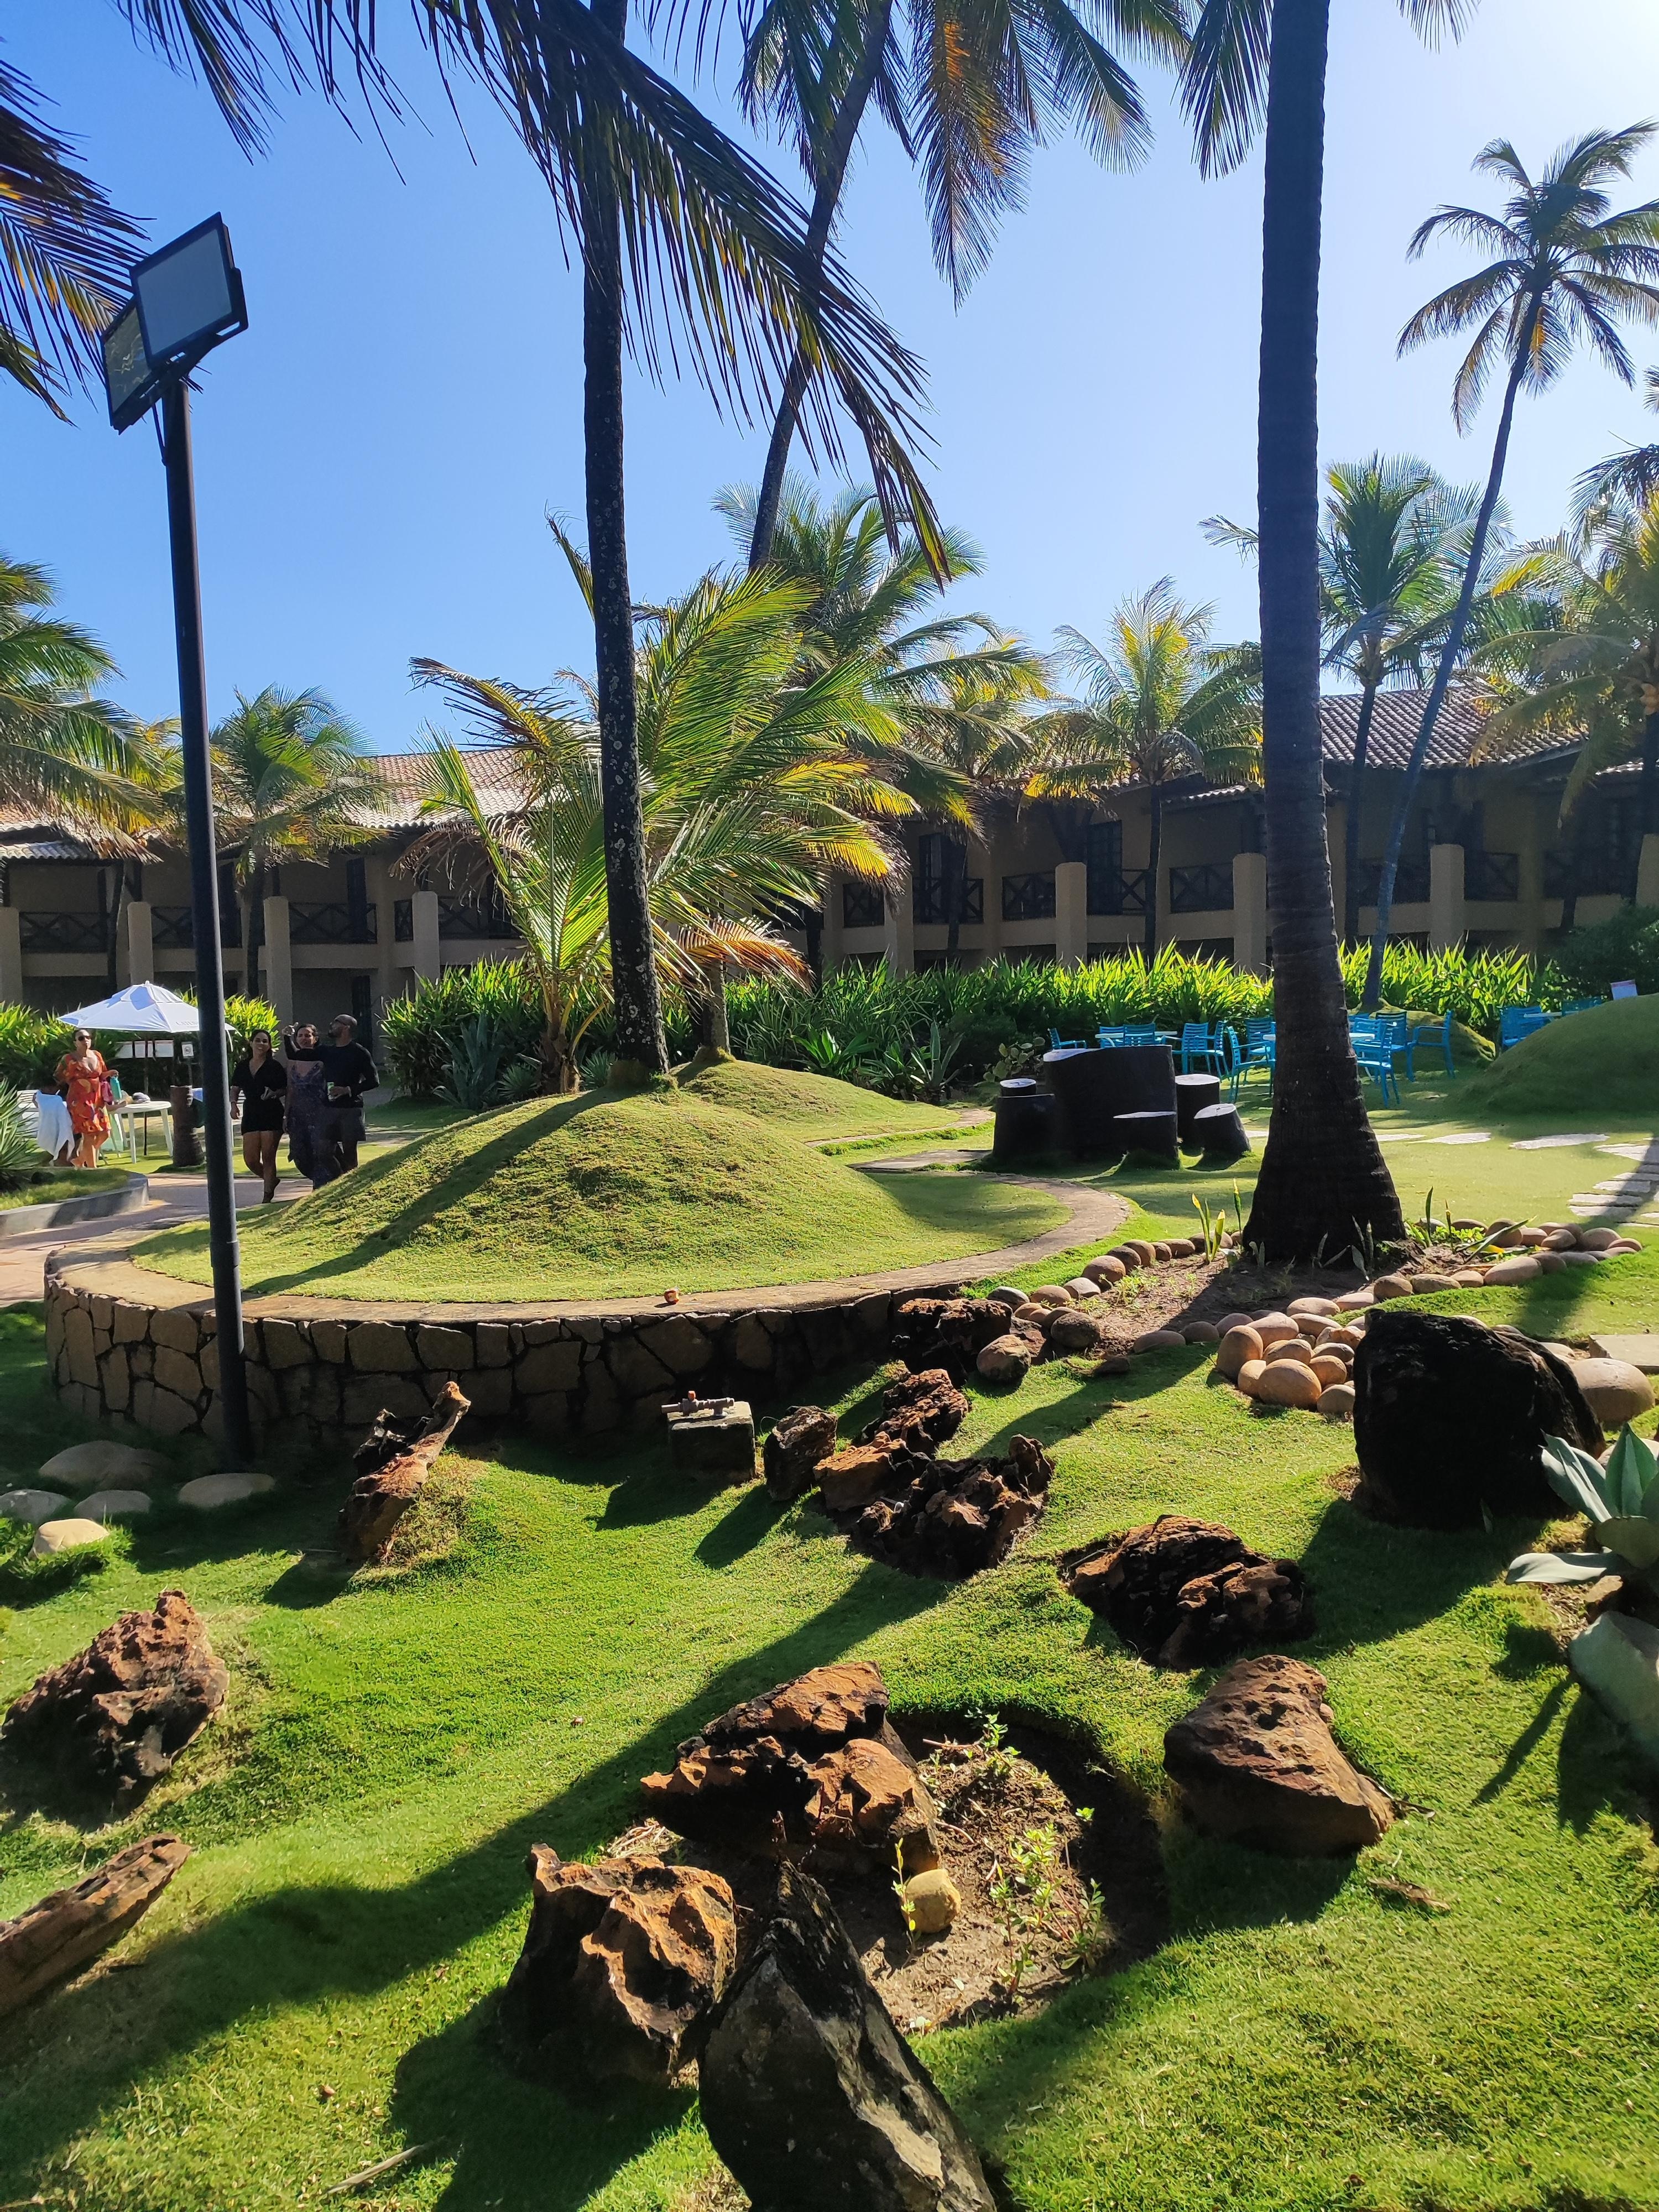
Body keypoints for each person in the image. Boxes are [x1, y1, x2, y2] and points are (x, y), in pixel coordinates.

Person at [285, 1013, 378, 1186]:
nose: (332, 1025)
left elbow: (374, 1081)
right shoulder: (327, 1051)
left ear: (346, 1028)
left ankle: (350, 1187)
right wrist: (287, 1037)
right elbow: (297, 1055)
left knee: (350, 1153)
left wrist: (348, 1090)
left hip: (351, 1109)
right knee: (323, 1151)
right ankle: (339, 1181)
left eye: (336, 1022)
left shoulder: (359, 1052)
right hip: (329, 1109)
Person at [229, 1027, 287, 1203]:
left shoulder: (275, 1067)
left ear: (269, 1046)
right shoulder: (242, 1066)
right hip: (251, 1112)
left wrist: (274, 1093)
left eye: (265, 1041)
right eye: (258, 1040)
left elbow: (285, 1089)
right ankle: (271, 1180)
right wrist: (233, 1105)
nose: (261, 1044)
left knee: (268, 1156)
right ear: (251, 1043)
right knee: (251, 1159)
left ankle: (267, 1196)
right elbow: (235, 1088)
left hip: (271, 1112)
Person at [55, 1026, 112, 1168]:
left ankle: (80, 1160)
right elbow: (58, 1076)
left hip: (97, 1100)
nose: (85, 1040)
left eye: (88, 1037)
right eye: (81, 1038)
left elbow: (101, 1075)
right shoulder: (69, 1059)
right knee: (89, 1134)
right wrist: (74, 1082)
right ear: (75, 1043)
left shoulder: (97, 1055)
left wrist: (110, 1074)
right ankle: (92, 1169)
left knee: (105, 1133)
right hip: (80, 1100)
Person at [282, 1023, 327, 1188]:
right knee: (299, 1152)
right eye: (300, 1036)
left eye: (308, 1035)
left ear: (315, 1039)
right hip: (297, 1114)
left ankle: (321, 1184)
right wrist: (286, 1115)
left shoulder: (322, 1060)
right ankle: (315, 1177)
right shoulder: (293, 1062)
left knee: (319, 1150)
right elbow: (290, 1089)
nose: (304, 1039)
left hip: (319, 1112)